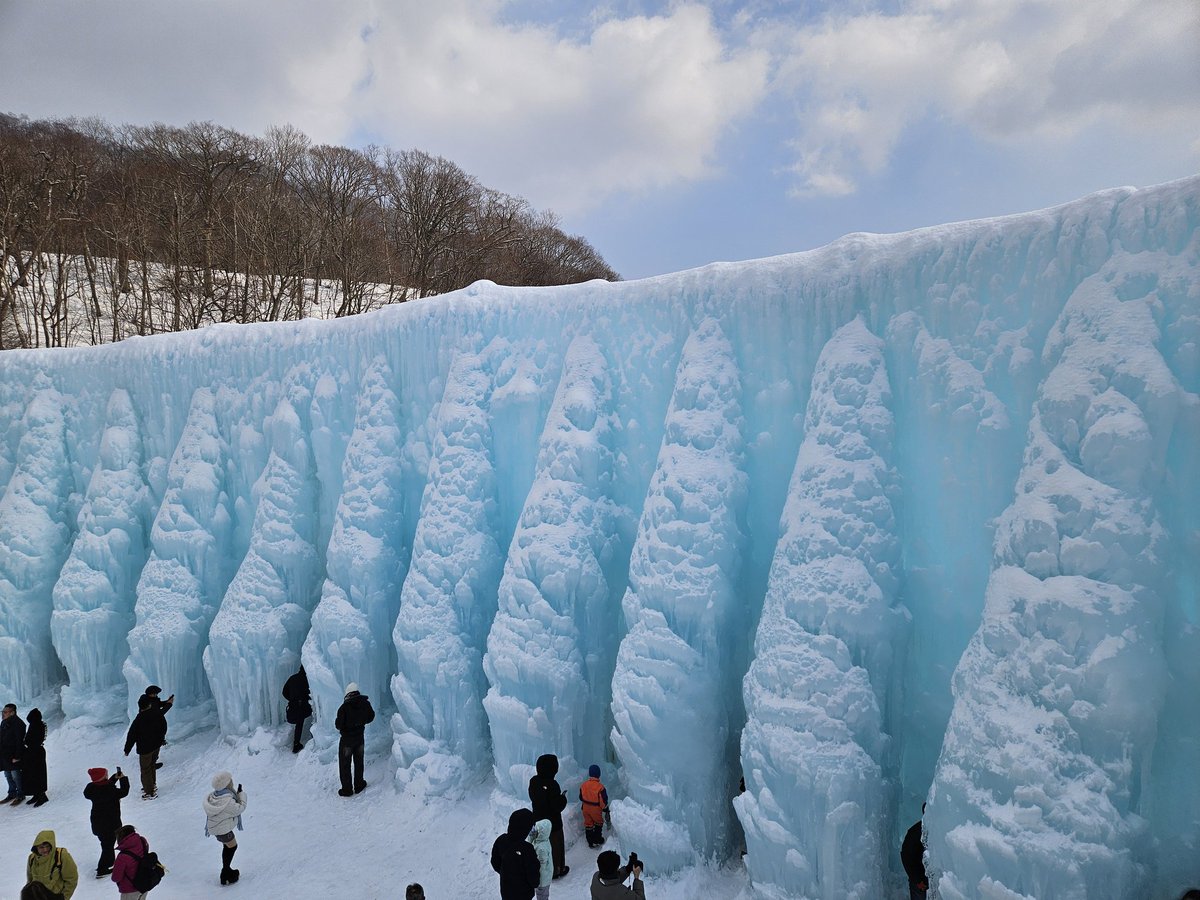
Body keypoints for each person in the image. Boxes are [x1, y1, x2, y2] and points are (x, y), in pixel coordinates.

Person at [83, 767, 130, 877]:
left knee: (106, 844)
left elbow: (104, 785)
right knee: (107, 847)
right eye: (106, 775)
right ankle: (102, 869)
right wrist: (123, 779)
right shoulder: (110, 790)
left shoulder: (91, 789)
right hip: (111, 824)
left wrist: (114, 778)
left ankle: (108, 863)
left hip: (98, 824)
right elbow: (124, 791)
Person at [528, 753, 569, 878]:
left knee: (541, 846)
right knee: (555, 847)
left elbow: (533, 797)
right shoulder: (553, 784)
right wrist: (563, 798)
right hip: (553, 824)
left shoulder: (534, 781)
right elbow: (557, 806)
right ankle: (557, 870)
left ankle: (542, 869)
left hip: (538, 821)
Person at [203, 771, 247, 885]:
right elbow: (240, 808)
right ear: (226, 784)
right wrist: (241, 795)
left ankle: (226, 871)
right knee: (232, 846)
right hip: (222, 830)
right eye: (230, 781)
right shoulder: (228, 801)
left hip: (217, 828)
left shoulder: (215, 795)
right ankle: (226, 873)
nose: (232, 782)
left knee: (228, 846)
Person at [490, 808, 541, 900]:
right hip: (524, 894)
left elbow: (495, 862)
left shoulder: (501, 840)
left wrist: (506, 873)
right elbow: (534, 879)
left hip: (506, 891)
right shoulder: (527, 849)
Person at [123, 696, 167, 799]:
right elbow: (163, 726)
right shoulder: (157, 714)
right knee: (152, 765)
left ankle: (149, 792)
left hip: (145, 749)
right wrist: (161, 739)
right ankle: (152, 785)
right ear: (149, 705)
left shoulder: (139, 719)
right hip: (156, 745)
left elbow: (132, 735)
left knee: (145, 769)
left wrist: (127, 749)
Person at [334, 683, 374, 796]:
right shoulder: (365, 703)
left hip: (347, 740)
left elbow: (338, 724)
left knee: (345, 764)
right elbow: (371, 716)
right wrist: (361, 722)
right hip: (360, 738)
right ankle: (359, 785)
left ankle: (347, 789)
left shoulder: (344, 708)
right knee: (359, 762)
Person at [21, 830, 79, 900]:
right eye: (41, 847)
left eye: (47, 846)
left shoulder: (61, 856)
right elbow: (30, 880)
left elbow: (71, 879)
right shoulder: (32, 858)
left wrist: (64, 897)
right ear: (36, 847)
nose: (45, 850)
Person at [111, 824, 150, 899]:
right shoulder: (142, 841)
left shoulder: (122, 857)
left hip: (129, 890)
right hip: (144, 884)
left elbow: (116, 878)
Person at [138, 687, 173, 768]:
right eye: (155, 693)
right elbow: (158, 714)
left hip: (156, 728)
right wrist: (169, 704)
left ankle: (152, 763)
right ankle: (151, 764)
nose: (156, 695)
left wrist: (166, 702)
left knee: (155, 745)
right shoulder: (147, 703)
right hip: (152, 729)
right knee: (153, 746)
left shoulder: (151, 699)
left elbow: (158, 704)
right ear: (150, 694)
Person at [281, 665, 312, 753]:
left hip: (293, 705)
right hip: (303, 706)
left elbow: (284, 692)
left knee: (299, 723)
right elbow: (309, 693)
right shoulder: (307, 680)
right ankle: (310, 740)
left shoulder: (292, 678)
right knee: (303, 721)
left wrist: (291, 699)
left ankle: (296, 744)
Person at [901, 804, 928, 900]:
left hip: (932, 880)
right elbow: (906, 856)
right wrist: (917, 880)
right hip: (920, 882)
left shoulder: (938, 831)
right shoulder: (915, 832)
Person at [579, 763, 610, 848]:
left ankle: (590, 841)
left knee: (588, 824)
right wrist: (605, 808)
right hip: (595, 809)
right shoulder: (600, 787)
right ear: (598, 774)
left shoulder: (583, 785)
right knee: (598, 823)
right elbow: (603, 800)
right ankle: (597, 839)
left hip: (585, 808)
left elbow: (581, 797)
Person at [2, 702, 26, 804]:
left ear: (12, 713)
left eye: (5, 712)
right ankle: (12, 793)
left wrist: (17, 756)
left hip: (13, 754)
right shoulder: (4, 722)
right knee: (8, 775)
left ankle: (20, 794)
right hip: (5, 754)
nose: (3, 714)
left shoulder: (18, 723)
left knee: (16, 775)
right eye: (2, 711)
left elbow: (19, 741)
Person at [23, 707, 48, 806]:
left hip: (36, 753)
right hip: (33, 752)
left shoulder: (37, 725)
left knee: (38, 774)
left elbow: (33, 740)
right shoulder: (36, 724)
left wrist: (26, 744)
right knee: (33, 774)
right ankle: (36, 794)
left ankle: (42, 795)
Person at [530, 818, 553, 900]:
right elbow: (529, 844)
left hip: (543, 880)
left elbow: (540, 867)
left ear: (541, 832)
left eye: (536, 829)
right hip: (544, 877)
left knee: (542, 897)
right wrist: (531, 836)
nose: (534, 830)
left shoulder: (541, 848)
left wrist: (536, 880)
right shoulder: (542, 839)